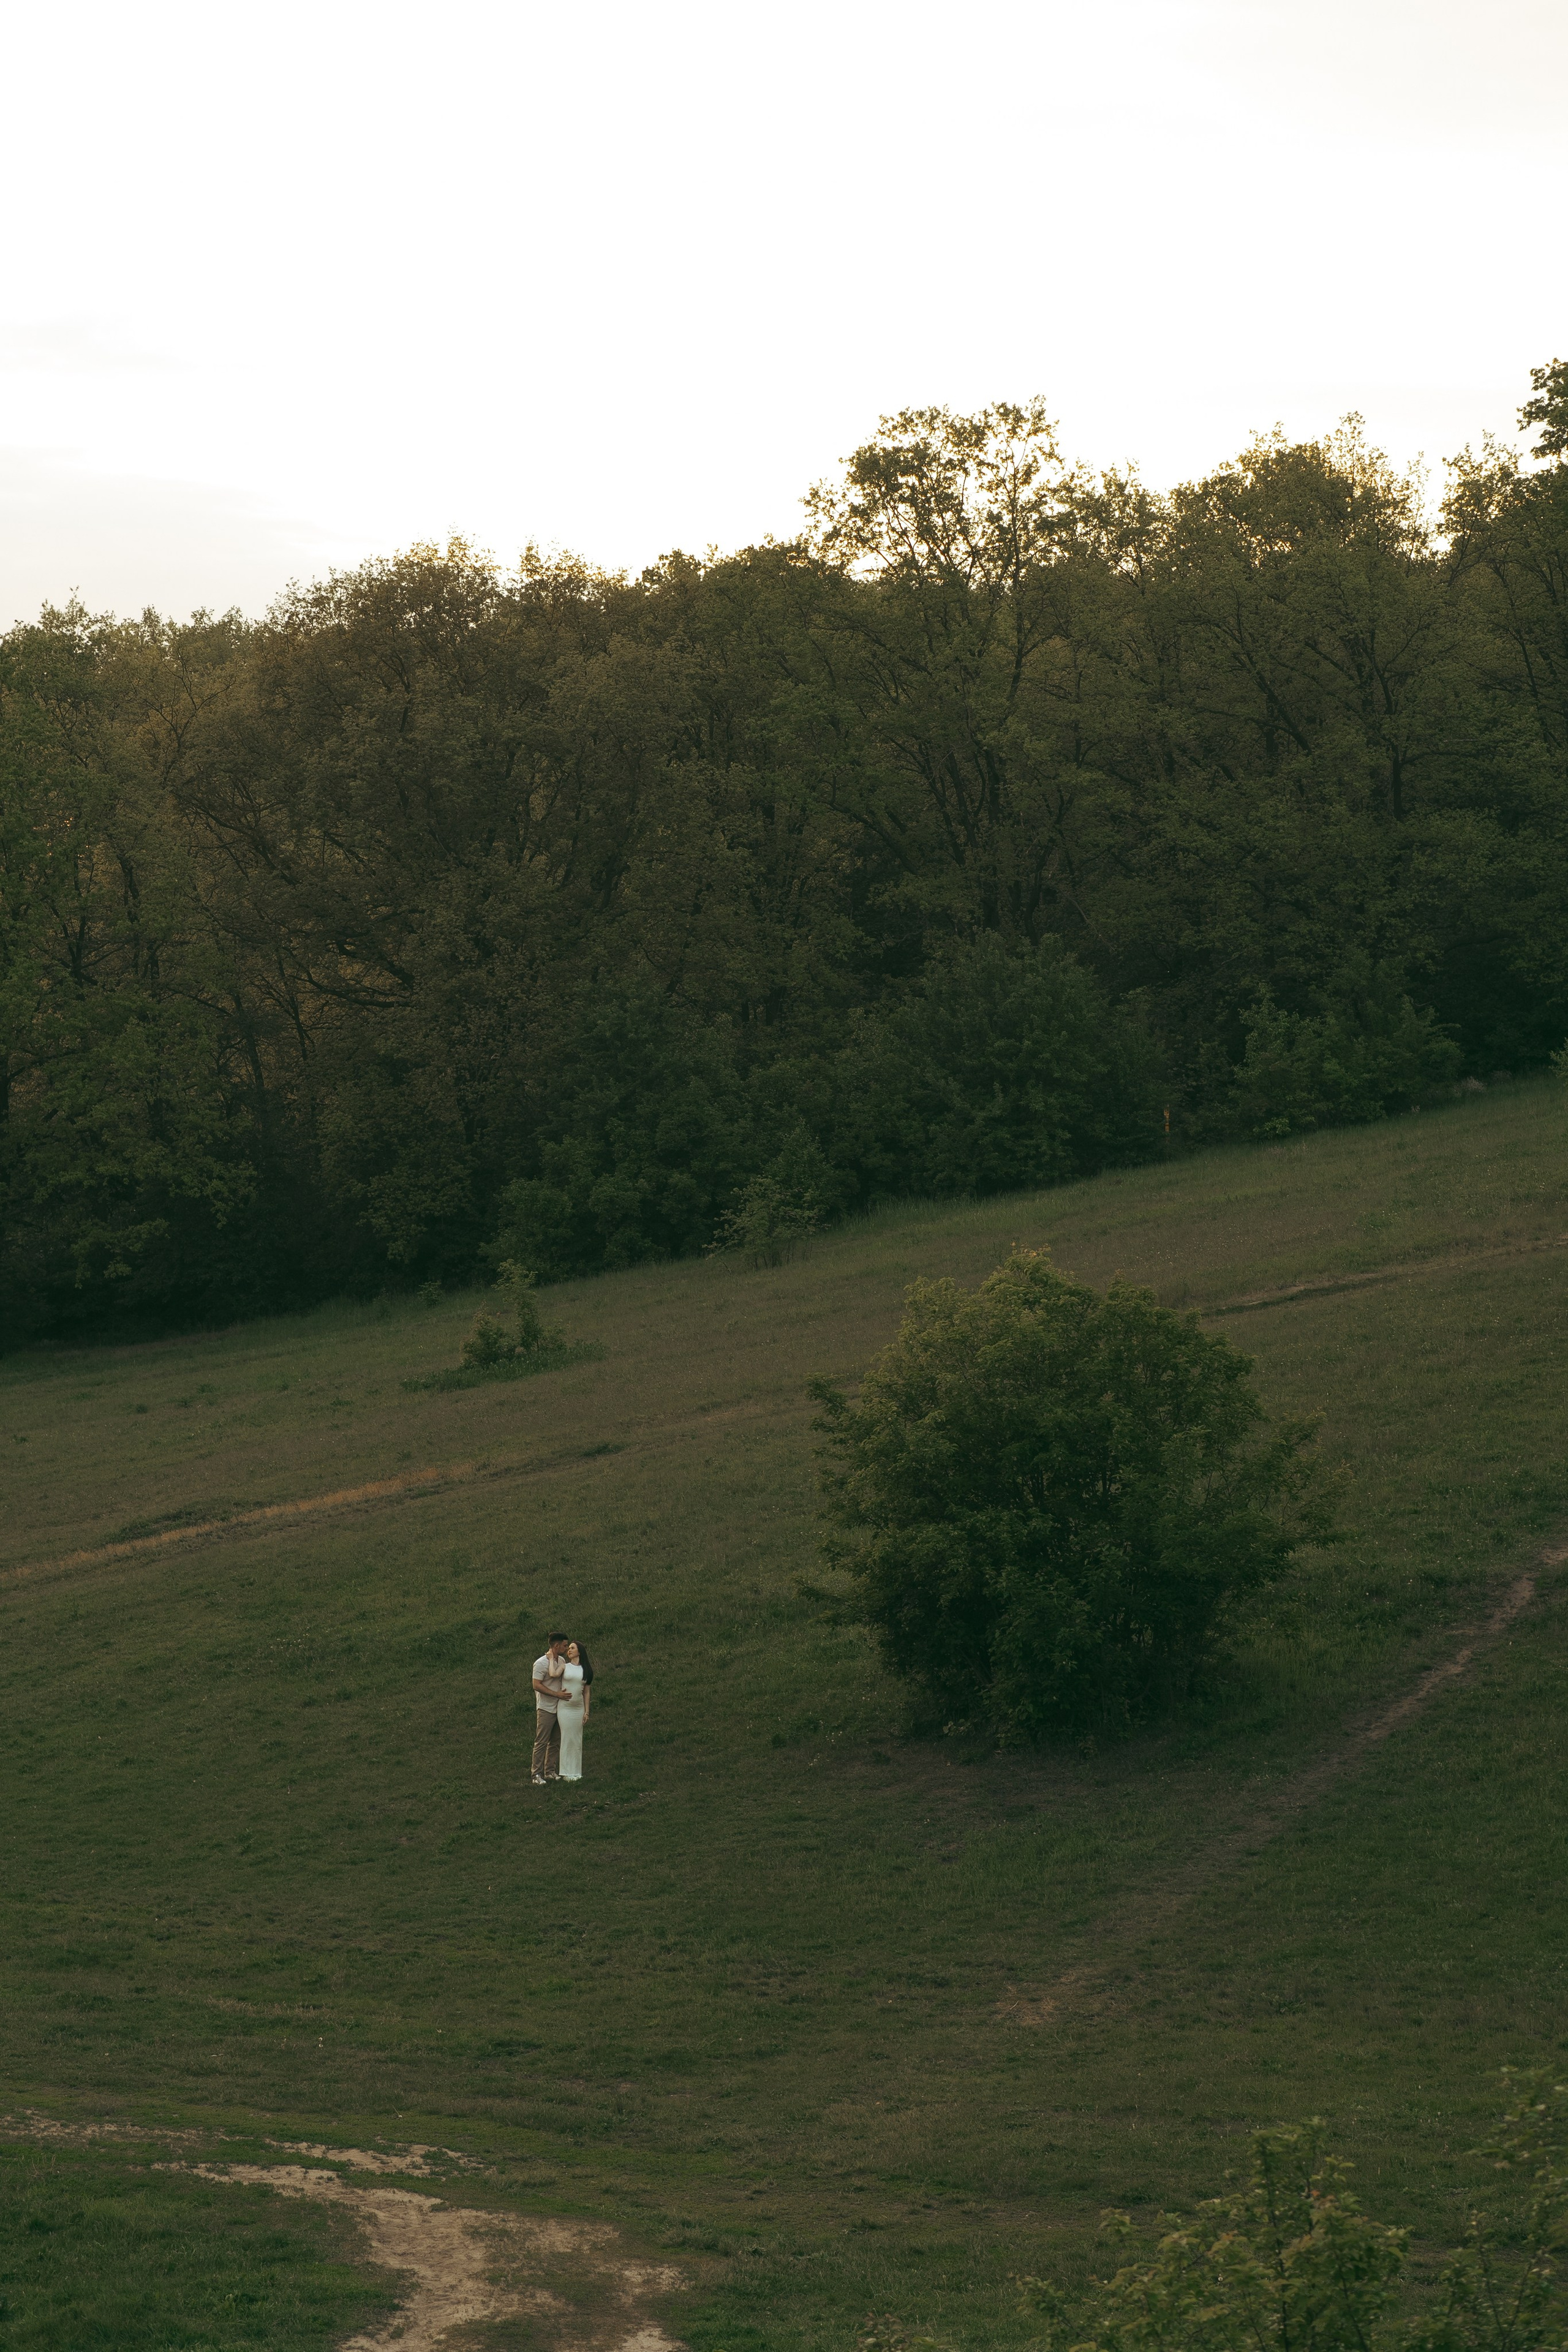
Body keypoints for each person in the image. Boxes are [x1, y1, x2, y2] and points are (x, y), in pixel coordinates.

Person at [531, 1633, 570, 1784]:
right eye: (565, 1645)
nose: (566, 1648)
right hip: (546, 1708)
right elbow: (536, 1685)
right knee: (541, 1741)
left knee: (555, 1741)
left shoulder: (561, 1660)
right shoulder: (540, 1663)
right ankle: (536, 1775)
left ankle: (550, 1772)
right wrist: (556, 1694)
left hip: (559, 1708)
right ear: (556, 1646)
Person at [556, 1640, 594, 1781]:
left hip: (578, 1709)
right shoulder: (565, 1667)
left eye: (572, 1648)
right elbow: (553, 1674)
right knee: (567, 1738)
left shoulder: (586, 1670)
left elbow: (587, 1692)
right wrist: (550, 1658)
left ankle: (576, 1771)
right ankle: (566, 1772)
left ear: (580, 1651)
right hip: (565, 1708)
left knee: (577, 1740)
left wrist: (587, 1712)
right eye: (569, 1648)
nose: (569, 1650)